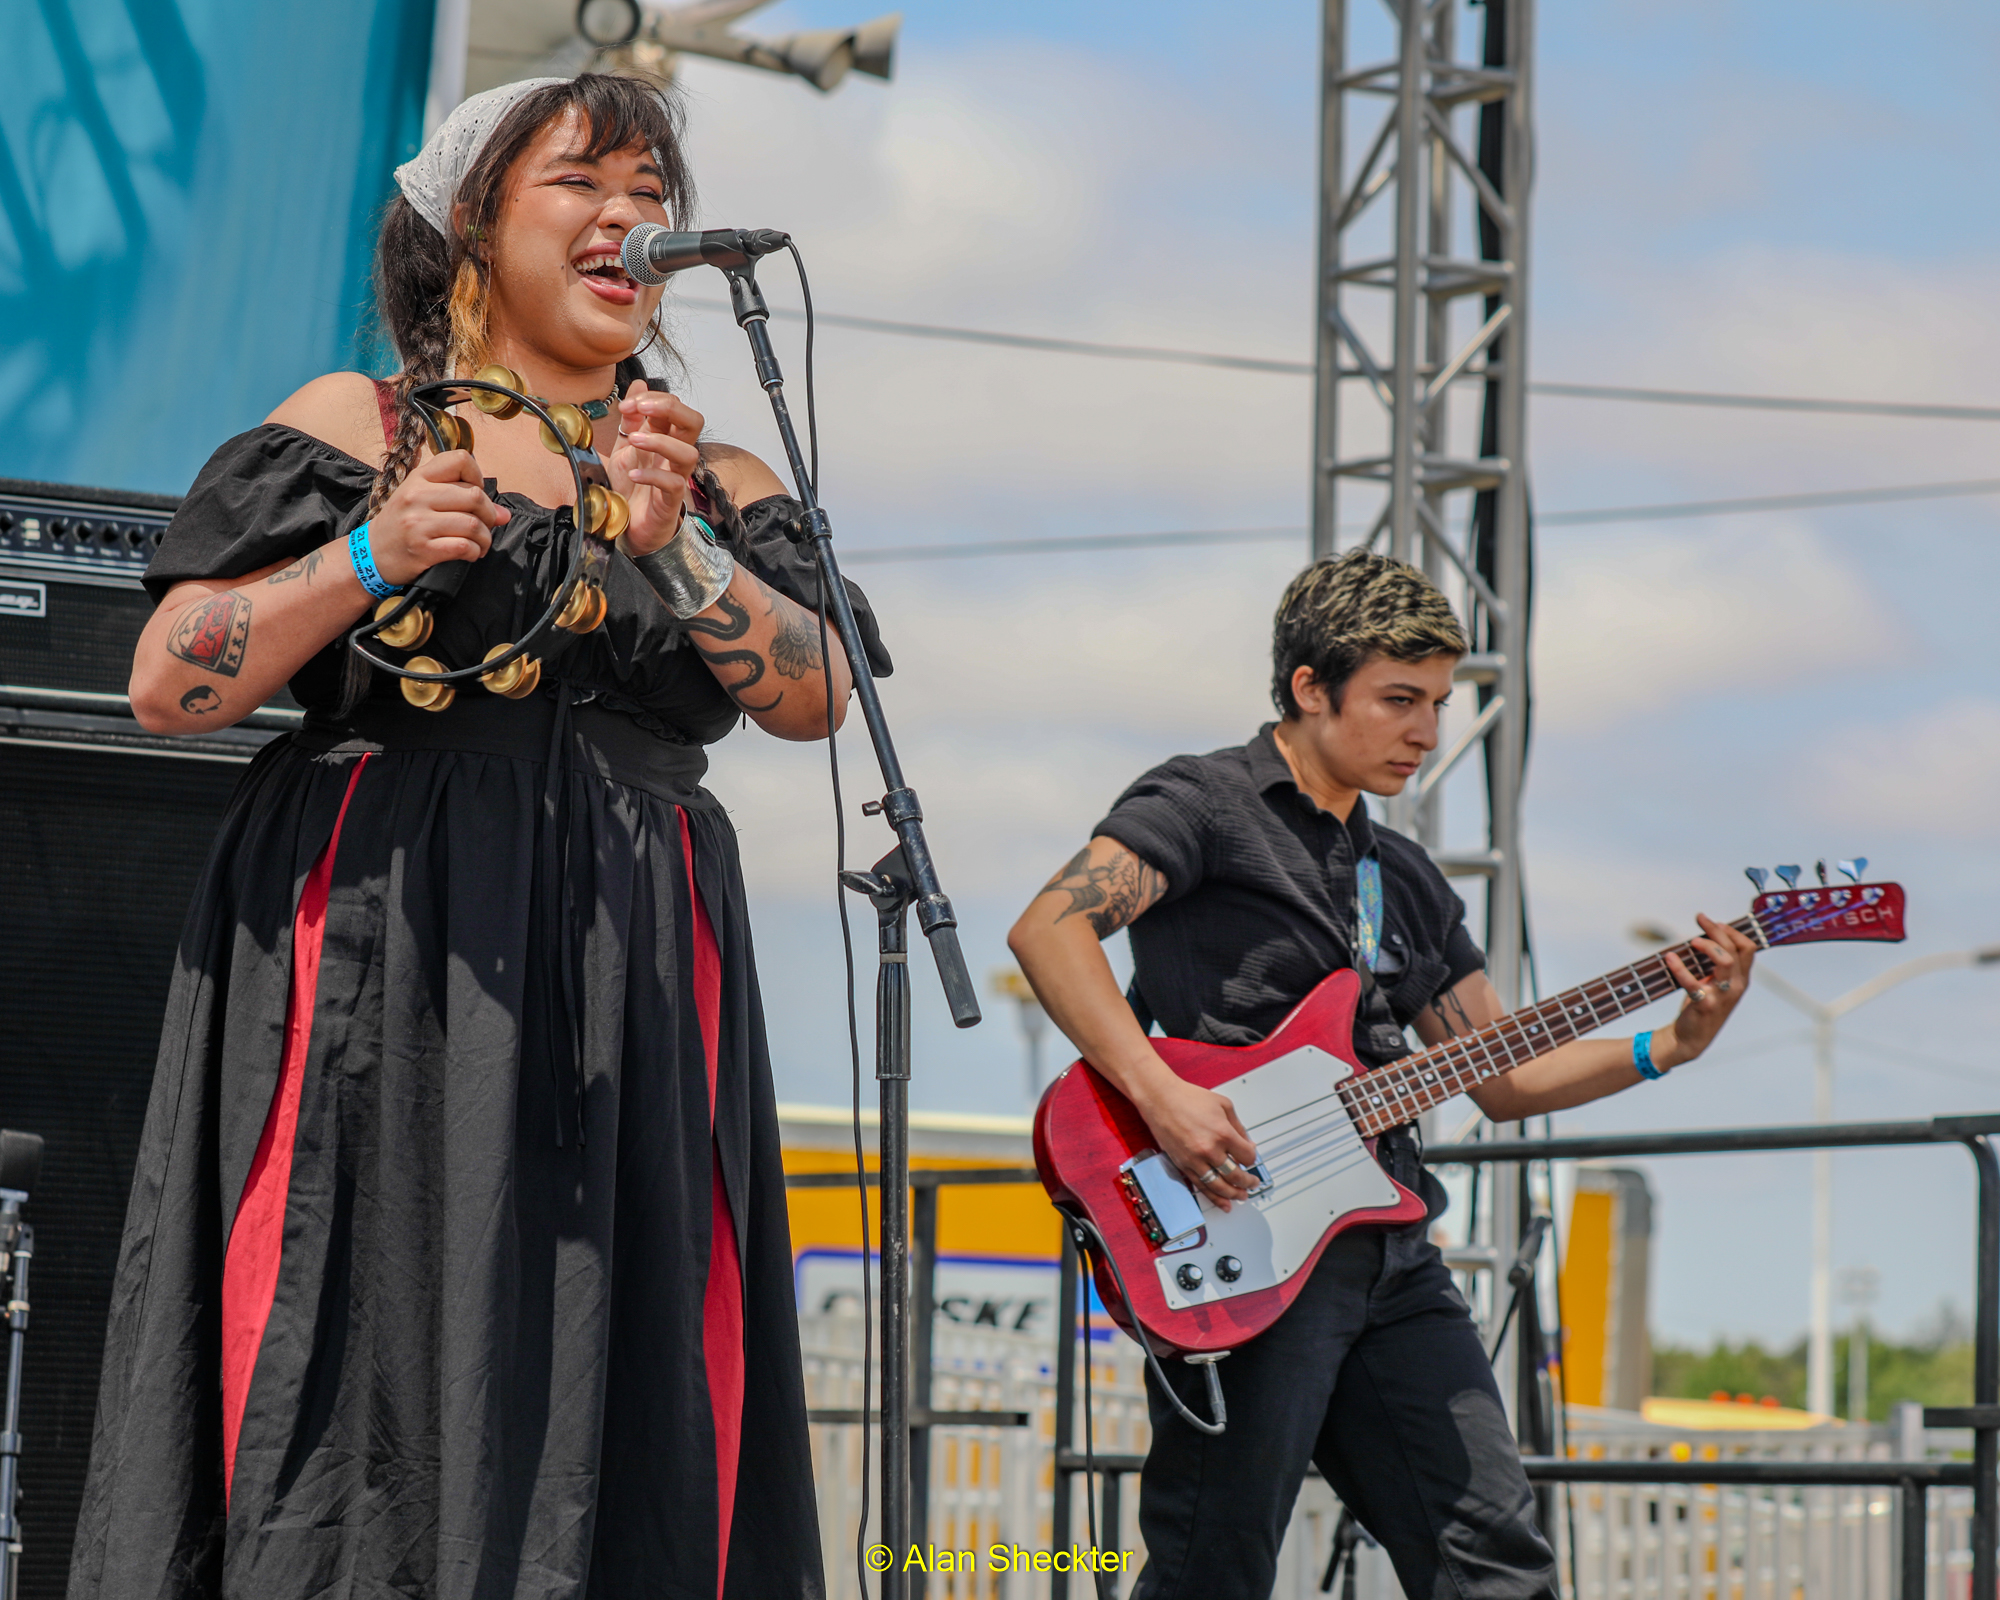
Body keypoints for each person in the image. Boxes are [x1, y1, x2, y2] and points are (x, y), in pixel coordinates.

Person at [69, 74, 884, 1599]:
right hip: (388, 927)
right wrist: (364, 556)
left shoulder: (716, 474)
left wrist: (685, 547)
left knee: (620, 1354)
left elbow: (821, 696)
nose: (631, 215)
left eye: (652, 188)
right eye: (584, 182)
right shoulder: (355, 424)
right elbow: (168, 680)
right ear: (467, 227)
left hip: (635, 950)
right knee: (355, 1323)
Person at [1006, 549, 1757, 1600]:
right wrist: (1160, 1095)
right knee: (1208, 1569)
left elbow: (1499, 1072)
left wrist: (1668, 1042)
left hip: (1391, 1256)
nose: (1425, 731)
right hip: (1243, 1237)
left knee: (1494, 1559)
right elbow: (1050, 926)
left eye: (1440, 703)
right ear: (1309, 687)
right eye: (1398, 699)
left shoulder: (1398, 876)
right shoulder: (1203, 802)